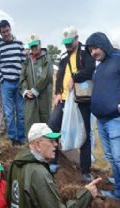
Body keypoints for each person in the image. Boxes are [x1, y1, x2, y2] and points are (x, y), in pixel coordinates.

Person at [6, 123, 102, 208]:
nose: (56, 144)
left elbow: (9, 202)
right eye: (51, 141)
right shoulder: (39, 174)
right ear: (38, 144)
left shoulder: (15, 164)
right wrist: (87, 194)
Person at [86, 32, 120, 208]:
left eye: (95, 48)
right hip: (104, 120)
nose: (93, 52)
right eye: (90, 50)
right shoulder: (100, 66)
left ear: (104, 45)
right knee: (113, 159)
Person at [47, 26, 95, 181]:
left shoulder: (85, 53)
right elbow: (60, 77)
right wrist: (57, 93)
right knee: (52, 127)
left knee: (85, 133)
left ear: (76, 38)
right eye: (65, 42)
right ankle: (53, 161)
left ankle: (86, 170)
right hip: (64, 99)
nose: (67, 44)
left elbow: (90, 70)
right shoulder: (63, 57)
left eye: (70, 41)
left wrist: (75, 78)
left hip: (81, 99)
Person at [0, 20, 26, 146]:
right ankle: (13, 138)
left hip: (19, 83)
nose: (6, 34)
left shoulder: (19, 44)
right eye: (3, 32)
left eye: (7, 31)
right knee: (9, 113)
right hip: (6, 84)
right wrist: (2, 79)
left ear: (10, 29)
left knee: (21, 112)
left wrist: (22, 80)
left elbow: (24, 63)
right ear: (0, 33)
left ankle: (22, 137)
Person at [20, 34, 53, 135]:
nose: (34, 48)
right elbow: (22, 77)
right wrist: (25, 91)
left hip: (44, 96)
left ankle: (48, 146)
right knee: (31, 121)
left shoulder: (46, 58)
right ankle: (33, 147)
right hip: (30, 97)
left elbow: (46, 76)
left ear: (40, 44)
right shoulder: (27, 60)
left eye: (36, 45)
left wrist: (35, 90)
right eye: (32, 46)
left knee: (45, 120)